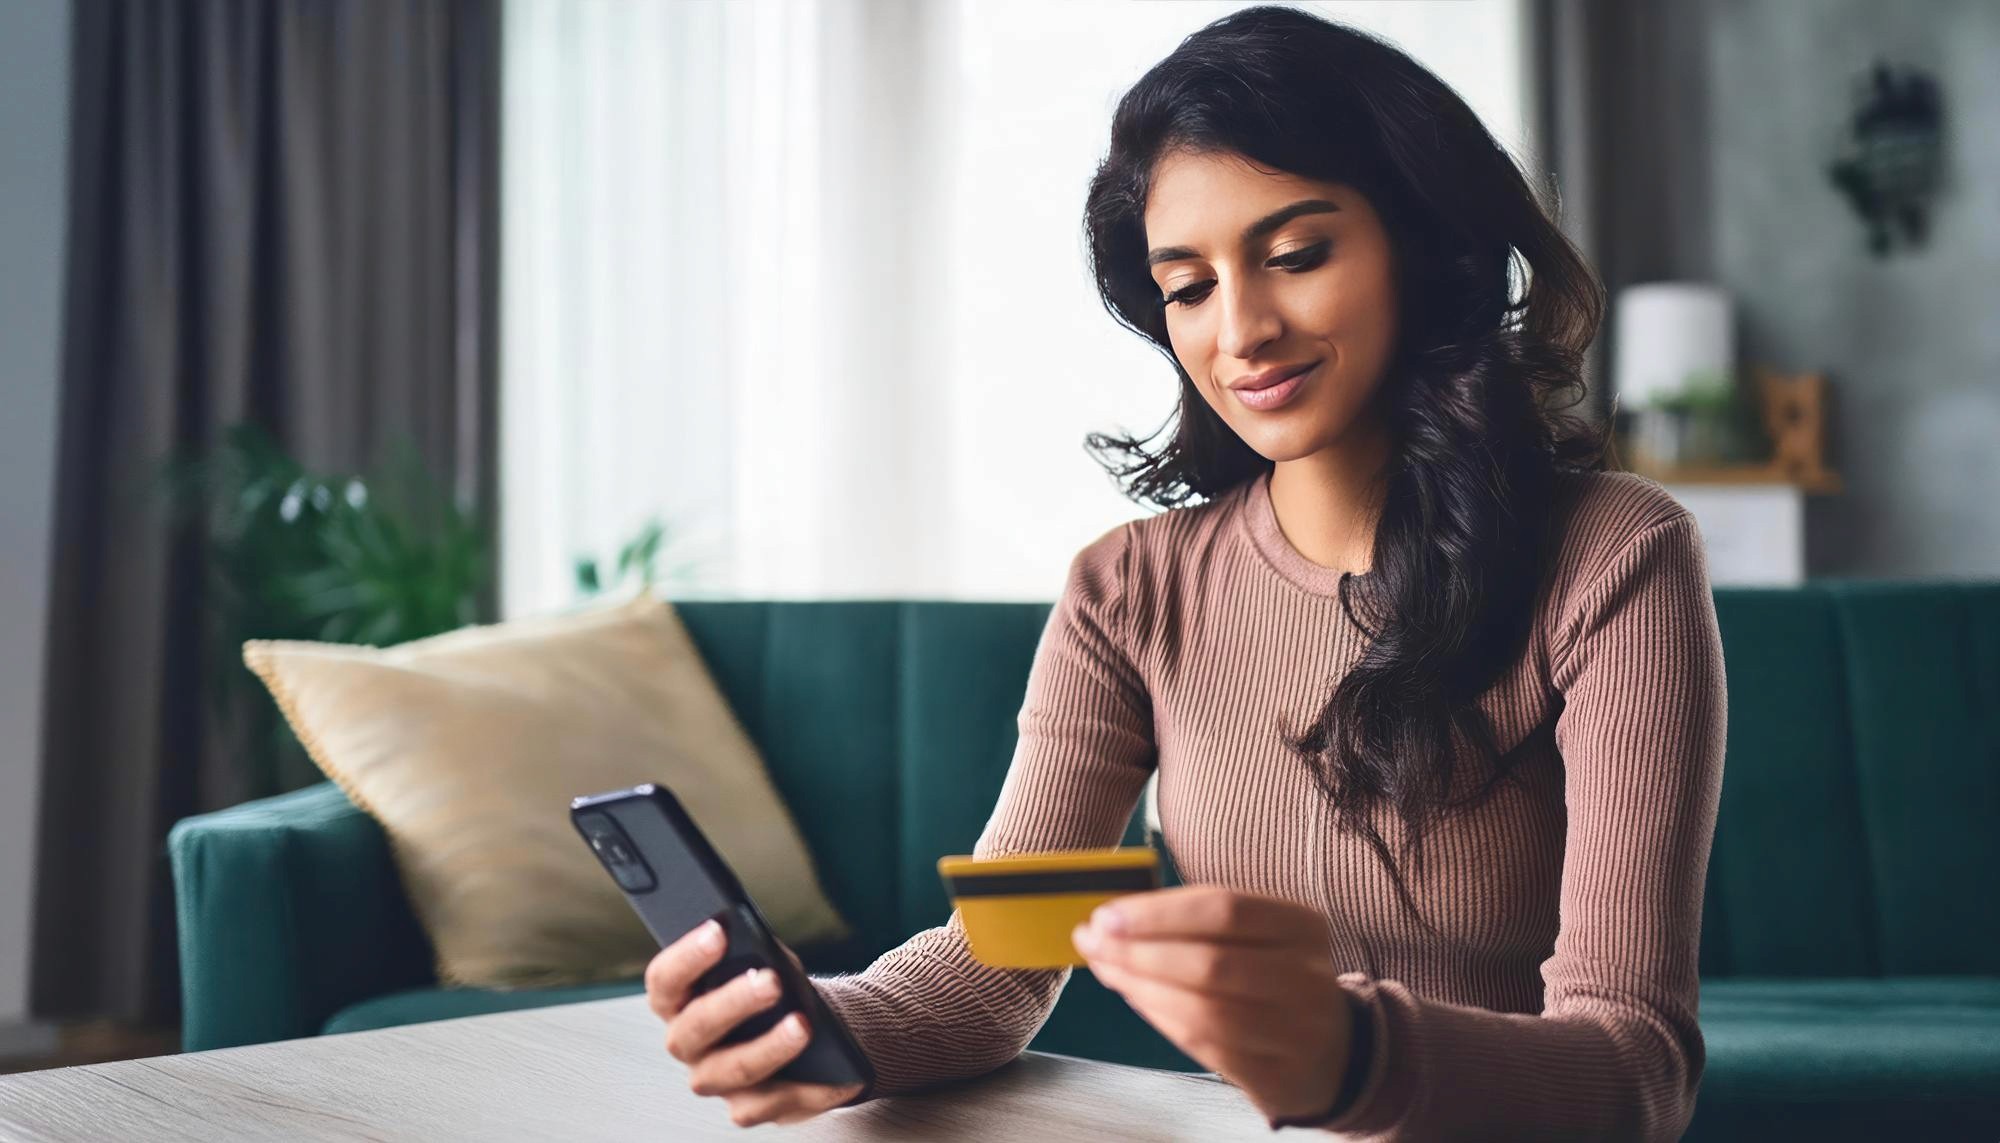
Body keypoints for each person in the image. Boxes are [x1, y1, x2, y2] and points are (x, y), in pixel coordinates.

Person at [643, 5, 1726, 1137]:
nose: (1241, 329)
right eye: (1188, 285)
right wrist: (814, 1027)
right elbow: (995, 968)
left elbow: (1633, 1070)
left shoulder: (1615, 556)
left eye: (1296, 255)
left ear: (1422, 243)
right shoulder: (1126, 593)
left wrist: (1351, 1058)